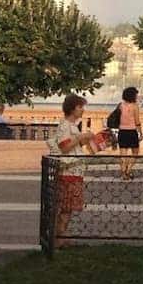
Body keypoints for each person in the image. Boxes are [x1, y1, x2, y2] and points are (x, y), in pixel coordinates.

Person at [46, 93, 92, 242]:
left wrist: (86, 139)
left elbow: (74, 146)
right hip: (68, 172)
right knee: (66, 206)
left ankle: (60, 235)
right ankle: (59, 237)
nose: (82, 110)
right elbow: (65, 147)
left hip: (74, 171)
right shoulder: (65, 125)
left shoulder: (72, 126)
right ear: (72, 109)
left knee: (68, 207)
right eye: (80, 107)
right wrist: (79, 137)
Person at [112, 86, 142, 181]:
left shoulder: (120, 105)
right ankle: (128, 170)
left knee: (123, 154)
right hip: (132, 131)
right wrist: (140, 132)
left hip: (122, 131)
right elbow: (137, 121)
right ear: (133, 95)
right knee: (135, 153)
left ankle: (124, 173)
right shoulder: (135, 106)